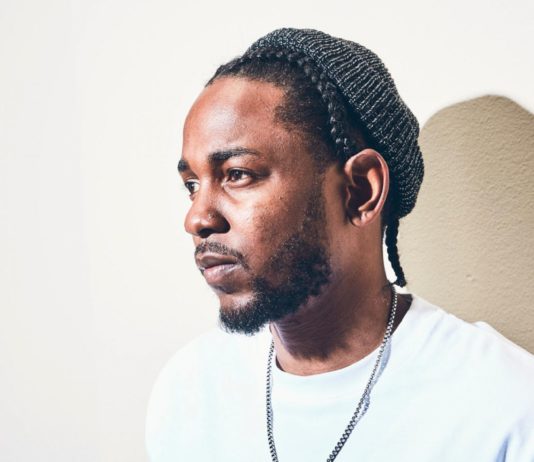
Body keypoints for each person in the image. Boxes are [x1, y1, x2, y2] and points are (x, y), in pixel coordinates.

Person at [145, 28, 534, 461]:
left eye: (238, 174)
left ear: (359, 191)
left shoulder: (504, 407)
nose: (197, 218)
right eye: (192, 185)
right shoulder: (189, 392)